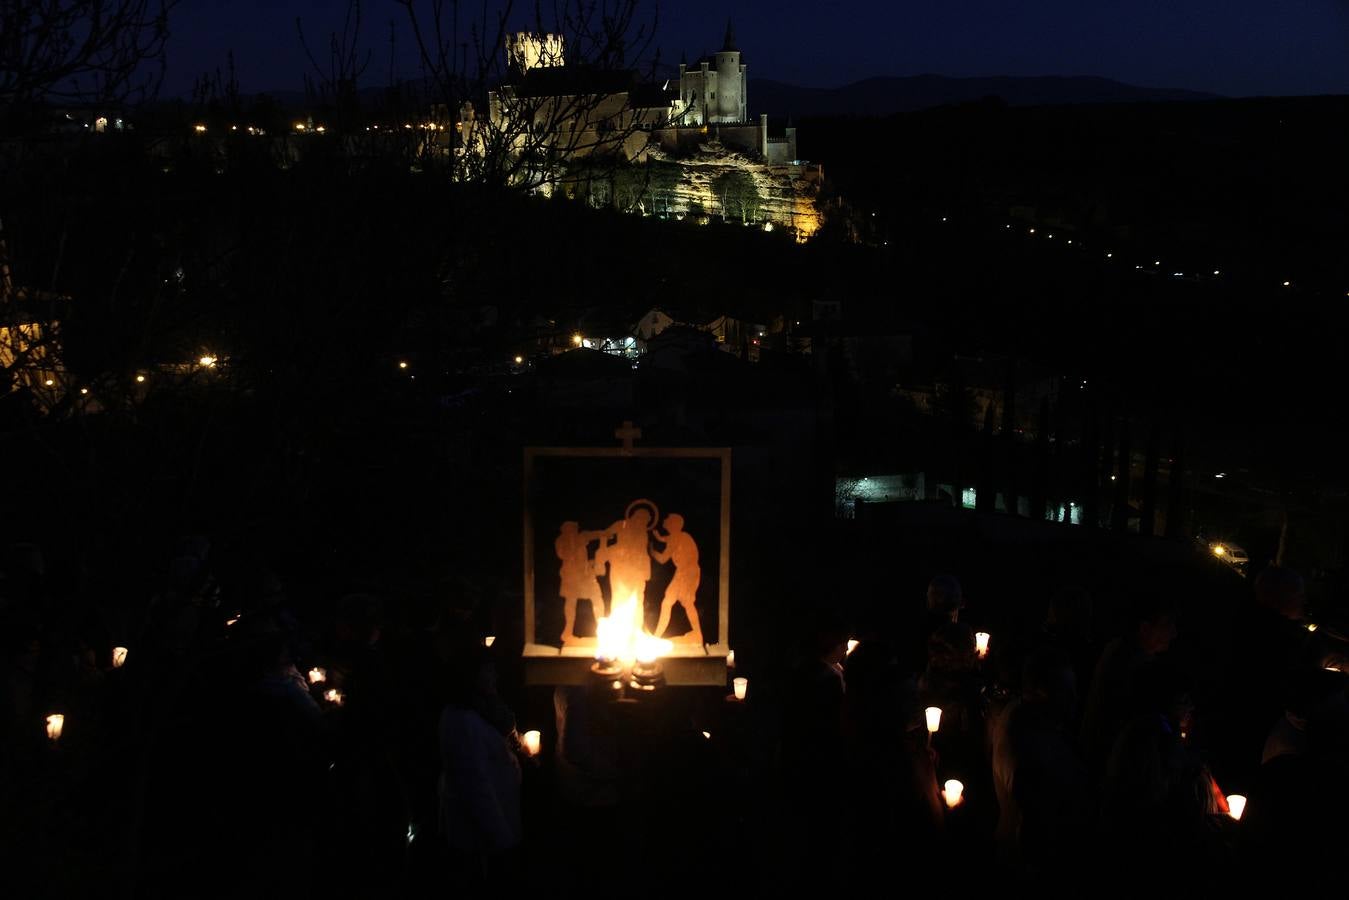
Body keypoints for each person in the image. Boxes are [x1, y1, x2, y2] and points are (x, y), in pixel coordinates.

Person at [438, 648, 522, 888]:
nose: (495, 676)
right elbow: (476, 787)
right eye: (488, 671)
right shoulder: (462, 721)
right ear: (472, 677)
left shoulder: (485, 706)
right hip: (482, 833)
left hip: (499, 812)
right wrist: (503, 840)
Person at [1080, 594, 1178, 769]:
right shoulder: (1135, 667)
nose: (1173, 633)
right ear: (1145, 628)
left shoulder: (1118, 649)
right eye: (1166, 625)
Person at [651, 513, 702, 643]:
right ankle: (657, 635)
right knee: (670, 601)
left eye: (667, 520)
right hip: (687, 572)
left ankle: (697, 634)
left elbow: (662, 559)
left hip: (686, 573)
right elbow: (666, 539)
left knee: (681, 602)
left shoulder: (677, 537)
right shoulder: (682, 535)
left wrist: (651, 551)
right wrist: (658, 537)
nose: (665, 521)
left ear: (673, 524)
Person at [555, 521, 605, 645]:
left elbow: (596, 534)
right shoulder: (561, 541)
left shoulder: (581, 537)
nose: (573, 530)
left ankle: (603, 629)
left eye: (574, 528)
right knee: (571, 601)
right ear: (564, 530)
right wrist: (572, 542)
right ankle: (568, 631)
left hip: (585, 575)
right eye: (570, 529)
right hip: (571, 576)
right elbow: (563, 554)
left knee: (597, 598)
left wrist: (605, 534)